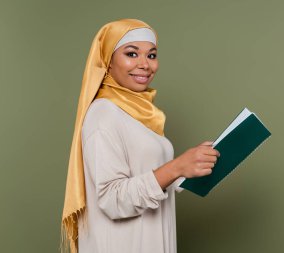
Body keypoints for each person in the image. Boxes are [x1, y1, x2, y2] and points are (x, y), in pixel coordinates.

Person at [61, 18, 220, 253]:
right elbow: (112, 200)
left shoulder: (137, 114)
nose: (145, 64)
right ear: (108, 60)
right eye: (132, 54)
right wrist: (176, 167)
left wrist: (193, 165)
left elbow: (148, 177)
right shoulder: (103, 113)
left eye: (152, 55)